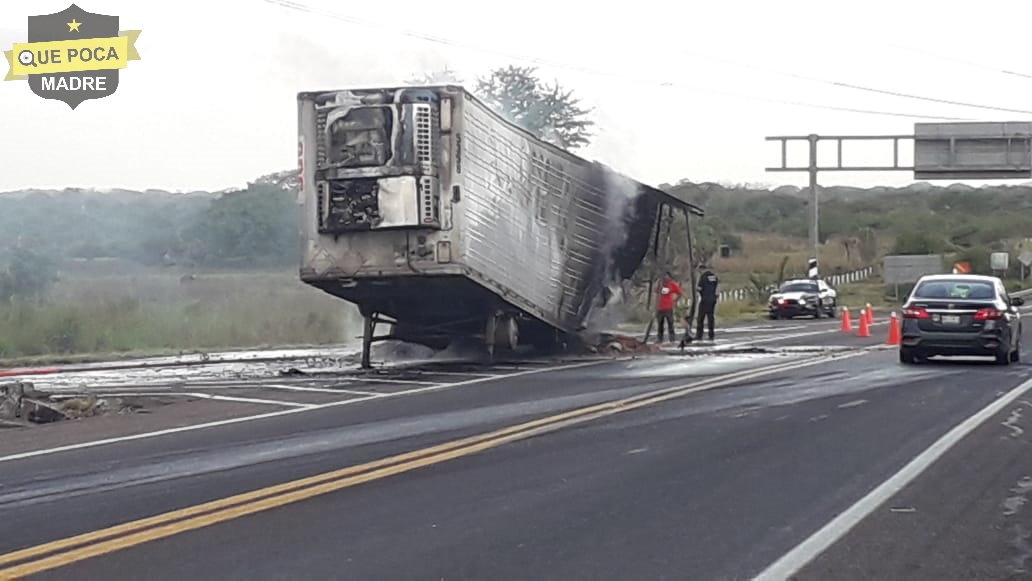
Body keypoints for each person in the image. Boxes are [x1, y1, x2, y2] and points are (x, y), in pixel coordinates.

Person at [656, 271, 682, 343]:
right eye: (664, 276)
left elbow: (680, 293)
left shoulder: (672, 284)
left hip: (668, 307)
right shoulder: (660, 283)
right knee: (660, 324)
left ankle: (672, 339)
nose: (665, 278)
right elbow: (657, 292)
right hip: (660, 307)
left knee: (670, 323)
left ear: (670, 277)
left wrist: (675, 300)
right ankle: (660, 339)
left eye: (667, 276)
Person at [696, 266, 719, 341]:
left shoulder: (703, 277)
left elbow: (700, 288)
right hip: (712, 300)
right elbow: (717, 288)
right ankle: (711, 334)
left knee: (700, 318)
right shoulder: (714, 277)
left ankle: (699, 335)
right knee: (710, 317)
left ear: (702, 270)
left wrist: (697, 289)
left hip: (705, 300)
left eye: (699, 271)